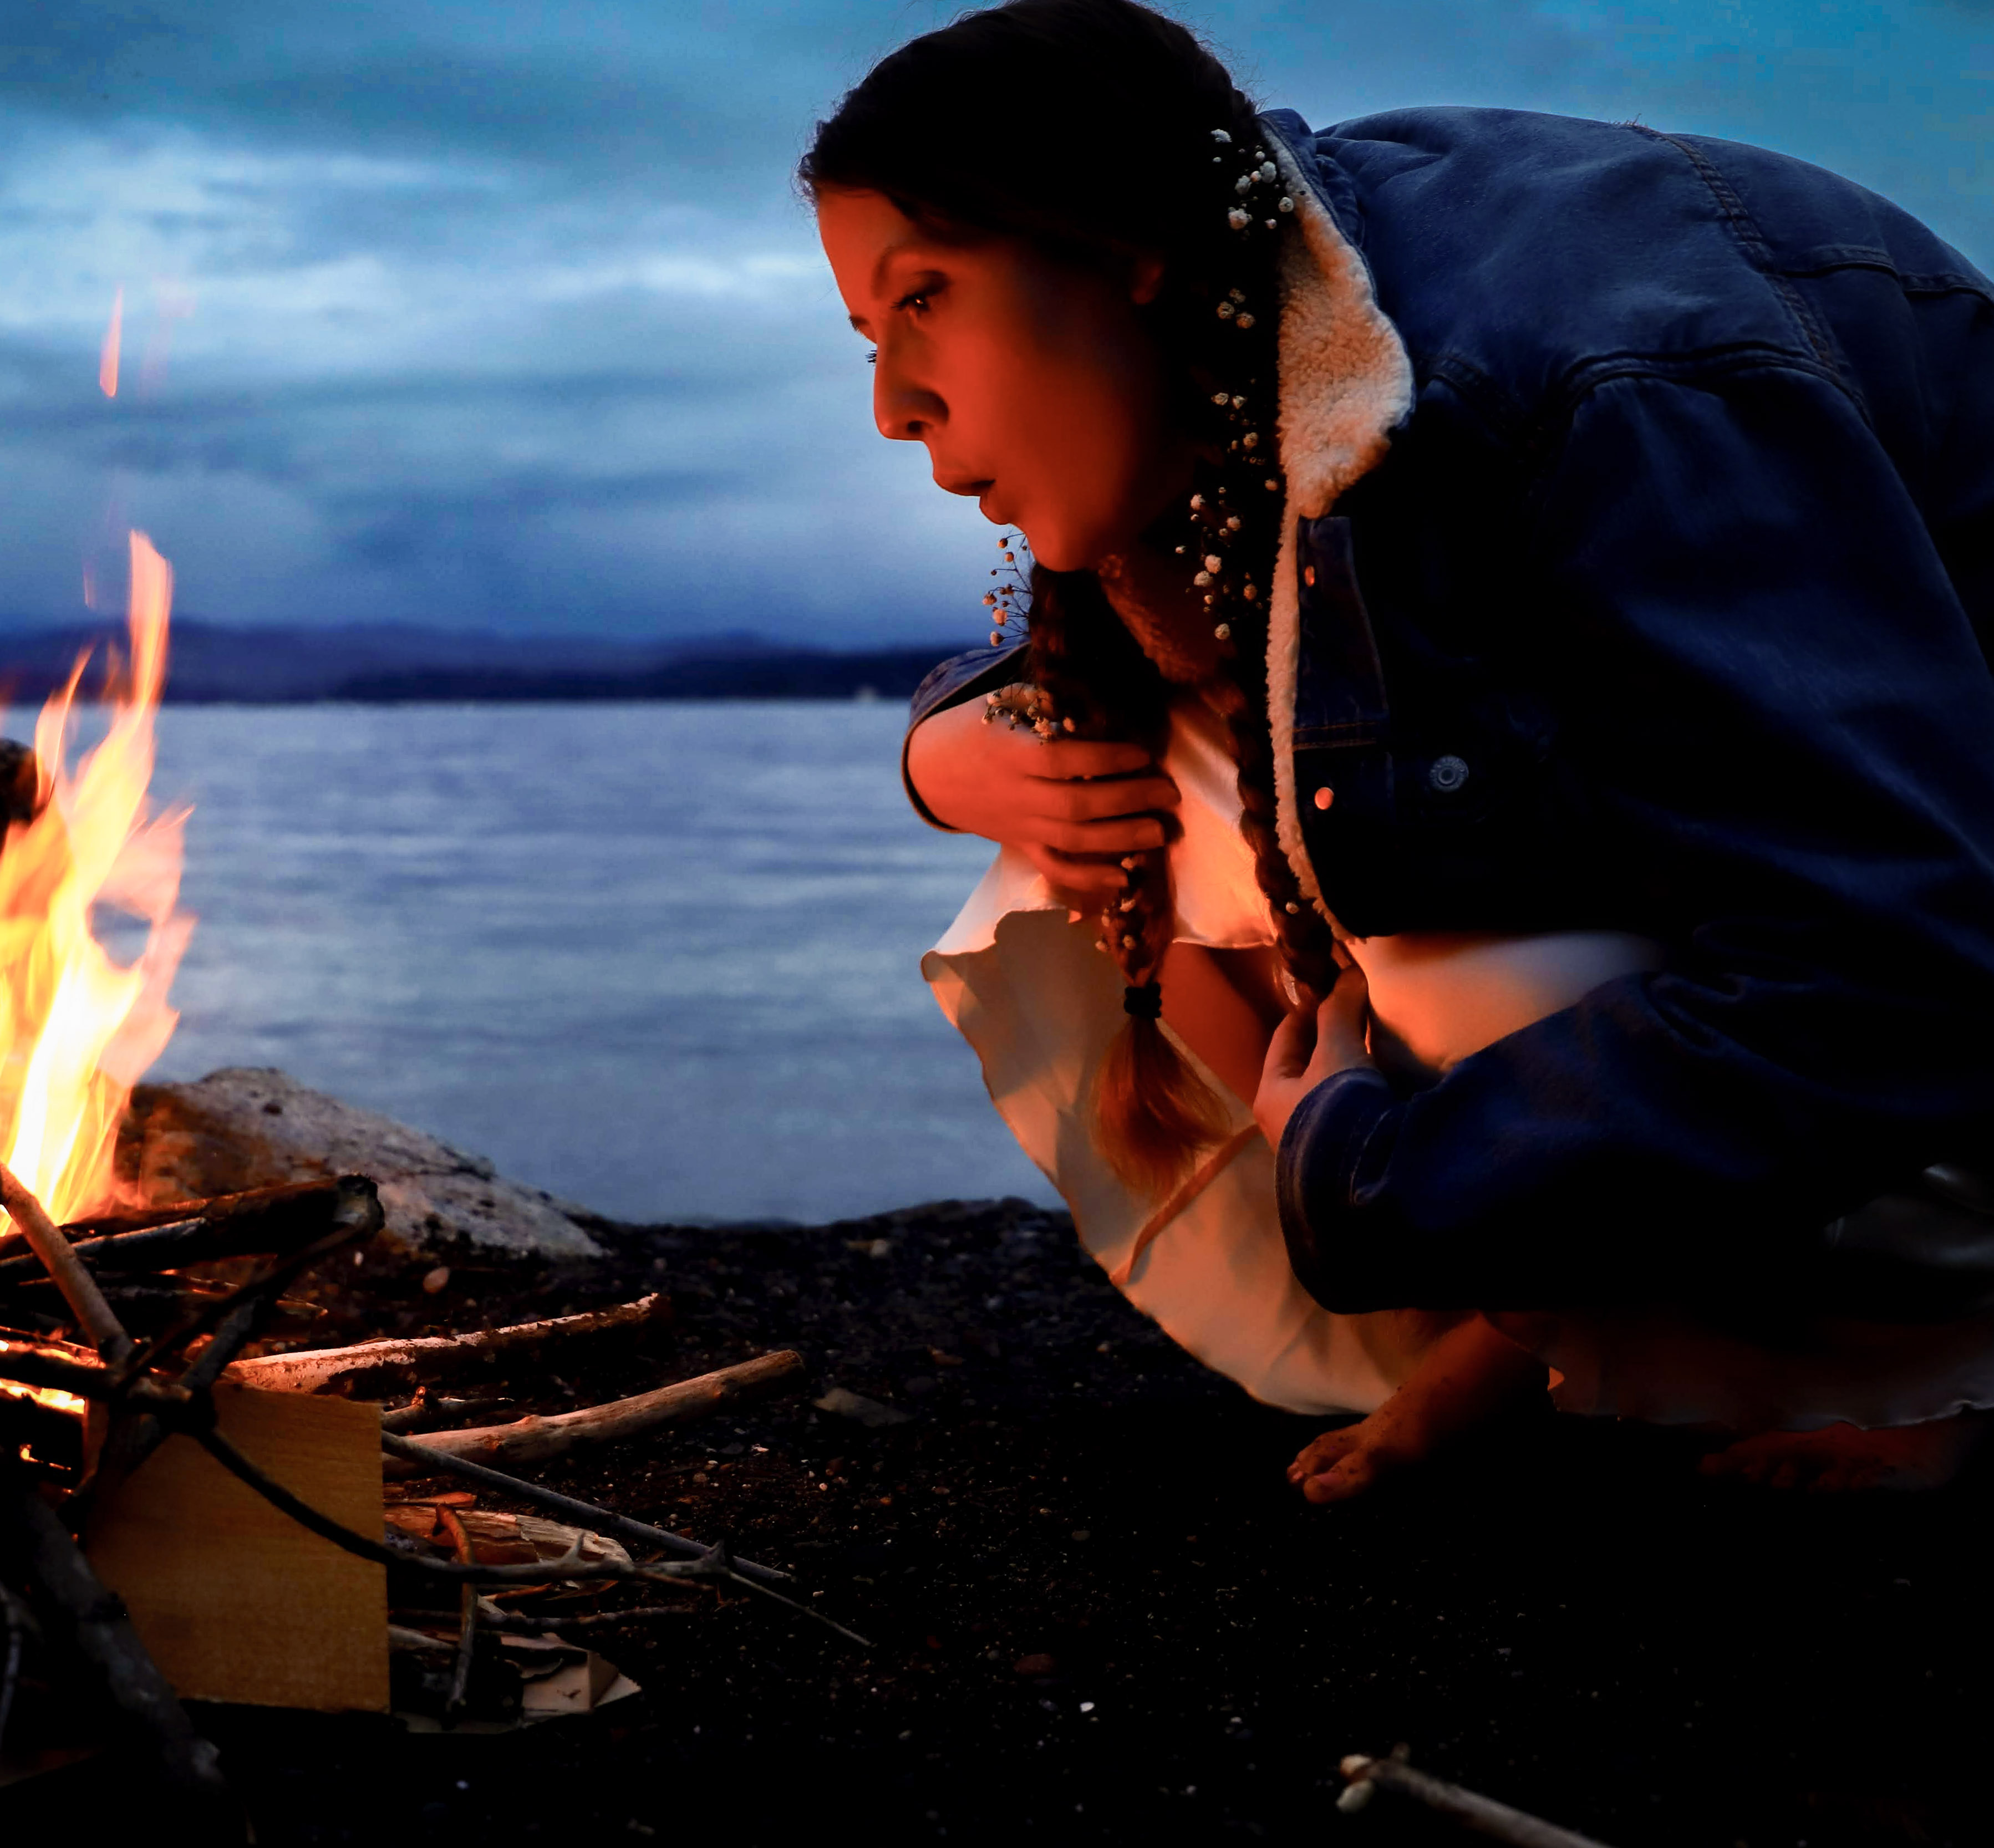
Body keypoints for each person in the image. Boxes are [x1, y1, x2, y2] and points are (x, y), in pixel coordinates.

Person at [803, 0, 1994, 1498]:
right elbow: (1195, 651)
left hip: (1943, 962)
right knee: (1093, 813)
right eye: (865, 332)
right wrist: (946, 754)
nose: (891, 406)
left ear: (1121, 247)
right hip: (1862, 918)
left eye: (924, 300)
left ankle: (1935, 1360)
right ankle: (1539, 1325)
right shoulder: (1288, 320)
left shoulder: (1609, 380)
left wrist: (1371, 1179)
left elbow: (1893, 964)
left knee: (1470, 970)